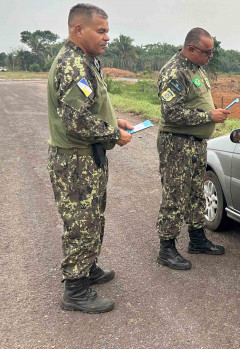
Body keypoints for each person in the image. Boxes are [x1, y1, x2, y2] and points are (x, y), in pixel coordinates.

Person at [46, 3, 133, 313]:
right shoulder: (74, 64)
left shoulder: (86, 60)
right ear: (78, 30)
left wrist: (114, 122)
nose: (107, 37)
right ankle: (75, 290)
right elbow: (74, 120)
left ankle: (88, 268)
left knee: (93, 218)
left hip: (86, 157)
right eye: (101, 31)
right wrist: (113, 135)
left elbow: (89, 108)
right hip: (76, 161)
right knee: (81, 223)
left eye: (107, 30)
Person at [156, 28, 230, 270]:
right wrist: (209, 115)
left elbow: (194, 101)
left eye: (211, 52)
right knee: (175, 194)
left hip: (195, 144)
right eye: (206, 52)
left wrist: (212, 115)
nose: (210, 57)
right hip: (177, 143)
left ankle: (197, 239)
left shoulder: (196, 69)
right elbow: (171, 112)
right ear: (191, 49)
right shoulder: (175, 72)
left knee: (196, 192)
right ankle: (166, 248)